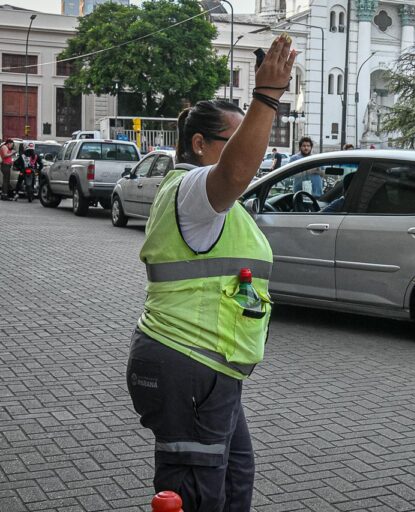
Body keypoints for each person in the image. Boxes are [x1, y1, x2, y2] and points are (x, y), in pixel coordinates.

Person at [125, 35, 296, 512]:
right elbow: (236, 172)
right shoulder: (195, 190)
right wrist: (266, 98)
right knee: (200, 496)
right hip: (188, 365)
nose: (251, 150)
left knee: (235, 479)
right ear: (199, 144)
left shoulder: (208, 200)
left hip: (208, 369)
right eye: (235, 140)